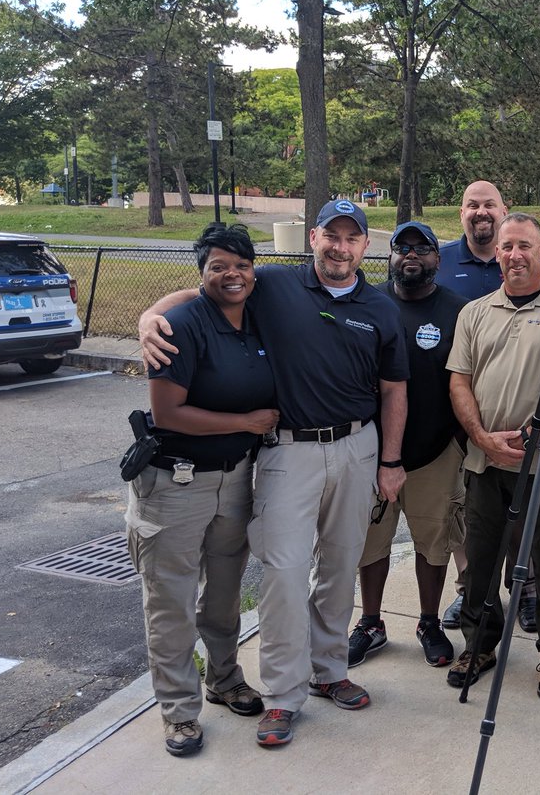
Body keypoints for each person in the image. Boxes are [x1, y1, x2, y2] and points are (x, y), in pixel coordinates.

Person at [139, 199, 409, 749]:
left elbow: (394, 390)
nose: (340, 246)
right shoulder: (276, 285)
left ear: (364, 245)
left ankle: (329, 669)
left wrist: (390, 460)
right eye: (330, 235)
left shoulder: (380, 308)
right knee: (284, 572)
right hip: (290, 450)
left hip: (359, 446)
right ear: (313, 238)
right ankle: (284, 694)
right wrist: (152, 314)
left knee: (340, 564)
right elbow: (210, 288)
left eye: (351, 237)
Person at [127, 223, 278, 756]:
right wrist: (248, 423)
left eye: (241, 264)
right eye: (218, 266)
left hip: (236, 480)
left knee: (224, 594)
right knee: (170, 602)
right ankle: (178, 711)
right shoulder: (180, 325)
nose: (231, 275)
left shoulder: (259, 312)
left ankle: (225, 678)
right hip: (175, 483)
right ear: (201, 273)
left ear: (254, 268)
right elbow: (168, 412)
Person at [444, 212, 540, 700]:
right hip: (485, 463)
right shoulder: (474, 312)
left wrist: (538, 433)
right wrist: (480, 435)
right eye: (506, 247)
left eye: (525, 246)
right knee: (480, 561)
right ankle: (479, 643)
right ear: (495, 253)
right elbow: (459, 378)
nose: (515, 255)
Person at [348, 221, 467, 669]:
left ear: (438, 258)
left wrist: (457, 441)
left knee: (433, 543)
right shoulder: (368, 303)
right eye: (402, 247)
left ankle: (429, 621)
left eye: (423, 247)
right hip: (371, 453)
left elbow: (467, 381)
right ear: (390, 256)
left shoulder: (459, 311)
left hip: (435, 452)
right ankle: (372, 622)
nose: (411, 254)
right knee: (371, 543)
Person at [435, 181, 538, 636]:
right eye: (472, 205)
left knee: (523, 510)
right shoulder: (440, 262)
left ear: (504, 209)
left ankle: (527, 586)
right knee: (465, 514)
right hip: (457, 419)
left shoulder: (527, 261)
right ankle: (469, 590)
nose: (481, 211)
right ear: (462, 213)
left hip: (518, 423)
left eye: (489, 204)